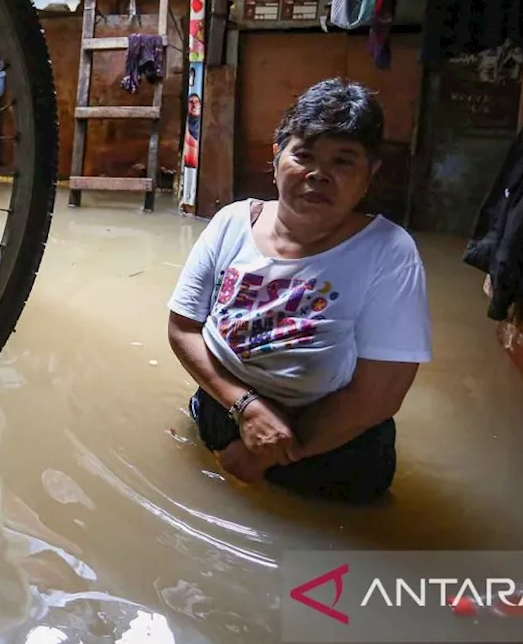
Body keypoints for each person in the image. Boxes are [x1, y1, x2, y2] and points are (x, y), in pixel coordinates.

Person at [166, 78, 432, 503]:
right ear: (277, 158)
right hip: (222, 411)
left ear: (370, 173)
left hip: (330, 449)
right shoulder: (232, 223)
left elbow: (380, 393)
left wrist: (265, 455)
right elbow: (183, 329)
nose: (319, 174)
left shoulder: (388, 252)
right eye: (303, 155)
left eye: (343, 161)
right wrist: (245, 408)